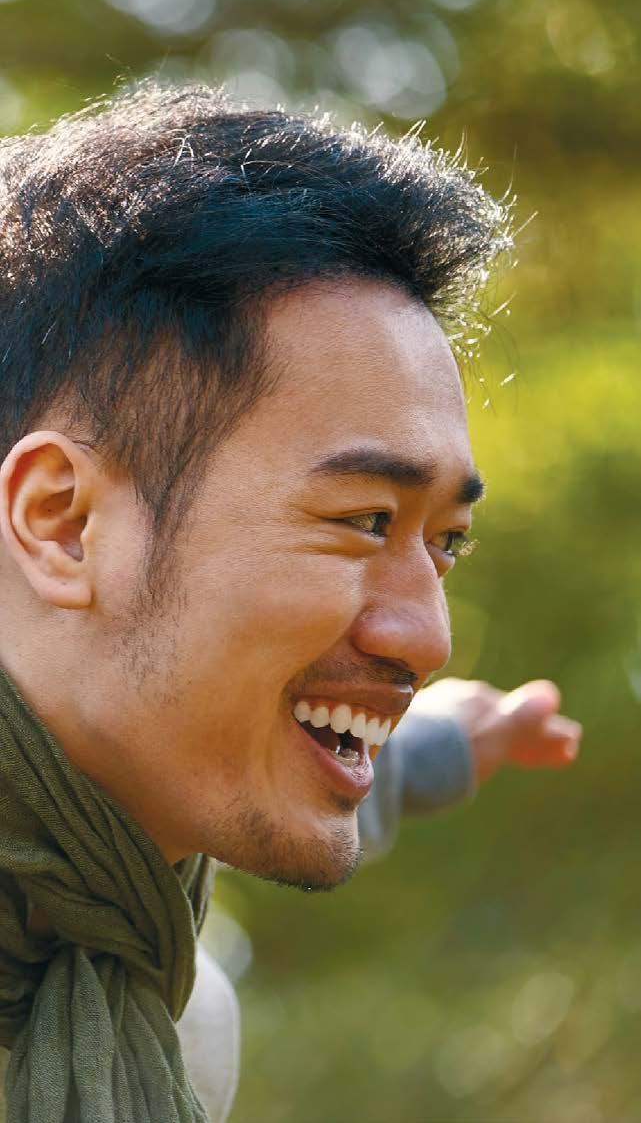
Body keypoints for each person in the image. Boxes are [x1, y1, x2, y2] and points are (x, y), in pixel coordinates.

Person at [0, 81, 581, 1123]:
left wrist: (444, 745)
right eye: (362, 520)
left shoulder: (153, 973)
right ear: (63, 523)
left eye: (443, 543)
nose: (427, 638)